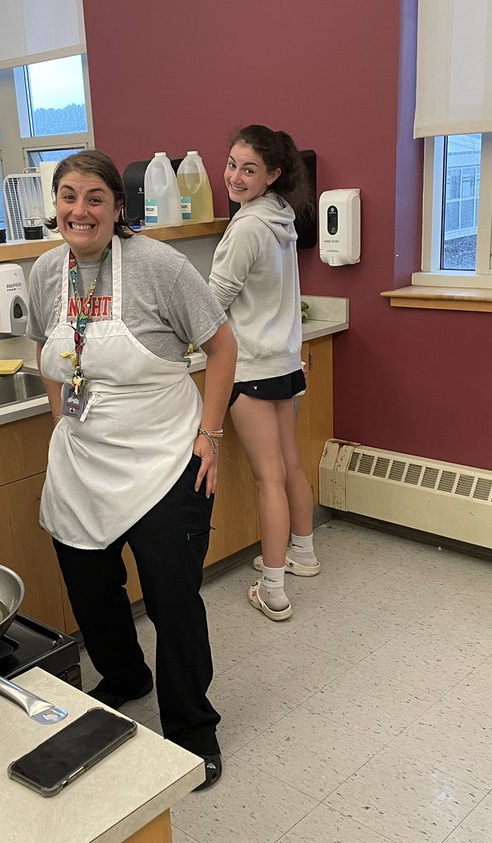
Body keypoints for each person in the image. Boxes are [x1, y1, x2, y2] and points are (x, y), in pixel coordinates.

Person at [27, 150, 237, 790]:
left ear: (118, 207)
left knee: (173, 601)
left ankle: (193, 729)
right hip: (83, 458)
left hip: (165, 457)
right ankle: (124, 676)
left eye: (95, 198)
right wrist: (59, 413)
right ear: (55, 205)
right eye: (68, 196)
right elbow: (47, 350)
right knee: (90, 587)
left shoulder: (158, 266)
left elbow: (222, 345)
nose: (79, 210)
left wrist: (210, 434)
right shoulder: (46, 271)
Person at [208, 125, 320, 623]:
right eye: (232, 164)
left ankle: (272, 588)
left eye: (248, 169)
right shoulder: (280, 216)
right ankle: (303, 553)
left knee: (268, 478)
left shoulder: (247, 227)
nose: (234, 176)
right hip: (285, 363)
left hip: (252, 365)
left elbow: (213, 301)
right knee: (289, 465)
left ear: (272, 174)